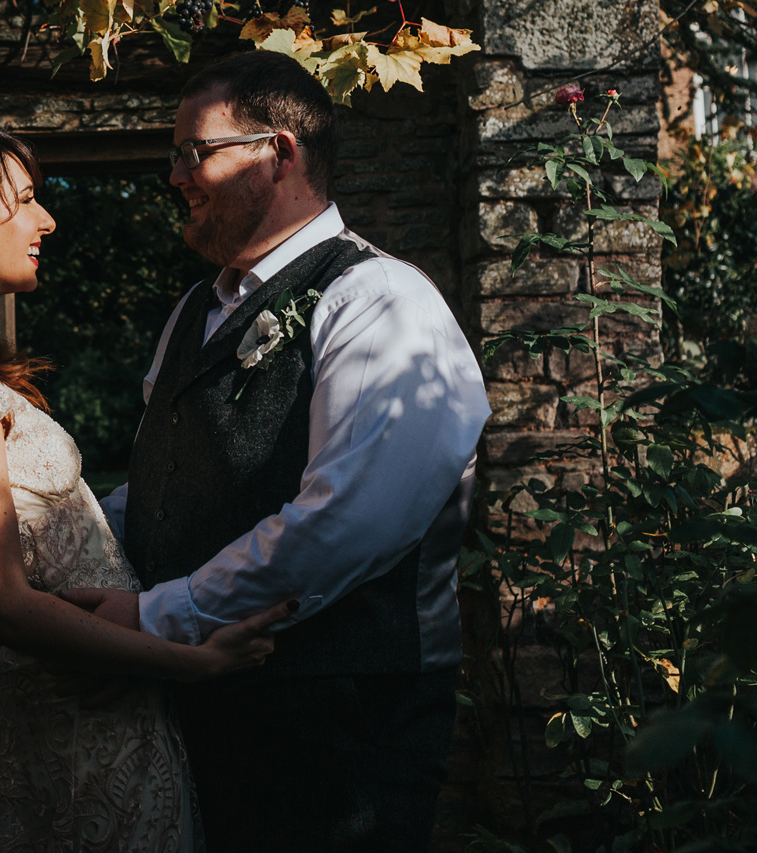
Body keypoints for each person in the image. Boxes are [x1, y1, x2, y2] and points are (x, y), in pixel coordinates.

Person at [66, 50, 492, 853]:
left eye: (196, 153)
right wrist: (66, 568)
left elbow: (346, 525)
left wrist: (161, 618)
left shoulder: (381, 302)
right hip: (202, 705)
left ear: (279, 154)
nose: (176, 177)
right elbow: (161, 489)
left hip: (339, 724)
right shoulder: (195, 309)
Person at [0, 121, 294, 853]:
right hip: (69, 719)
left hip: (67, 691)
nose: (47, 218)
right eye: (23, 201)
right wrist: (189, 662)